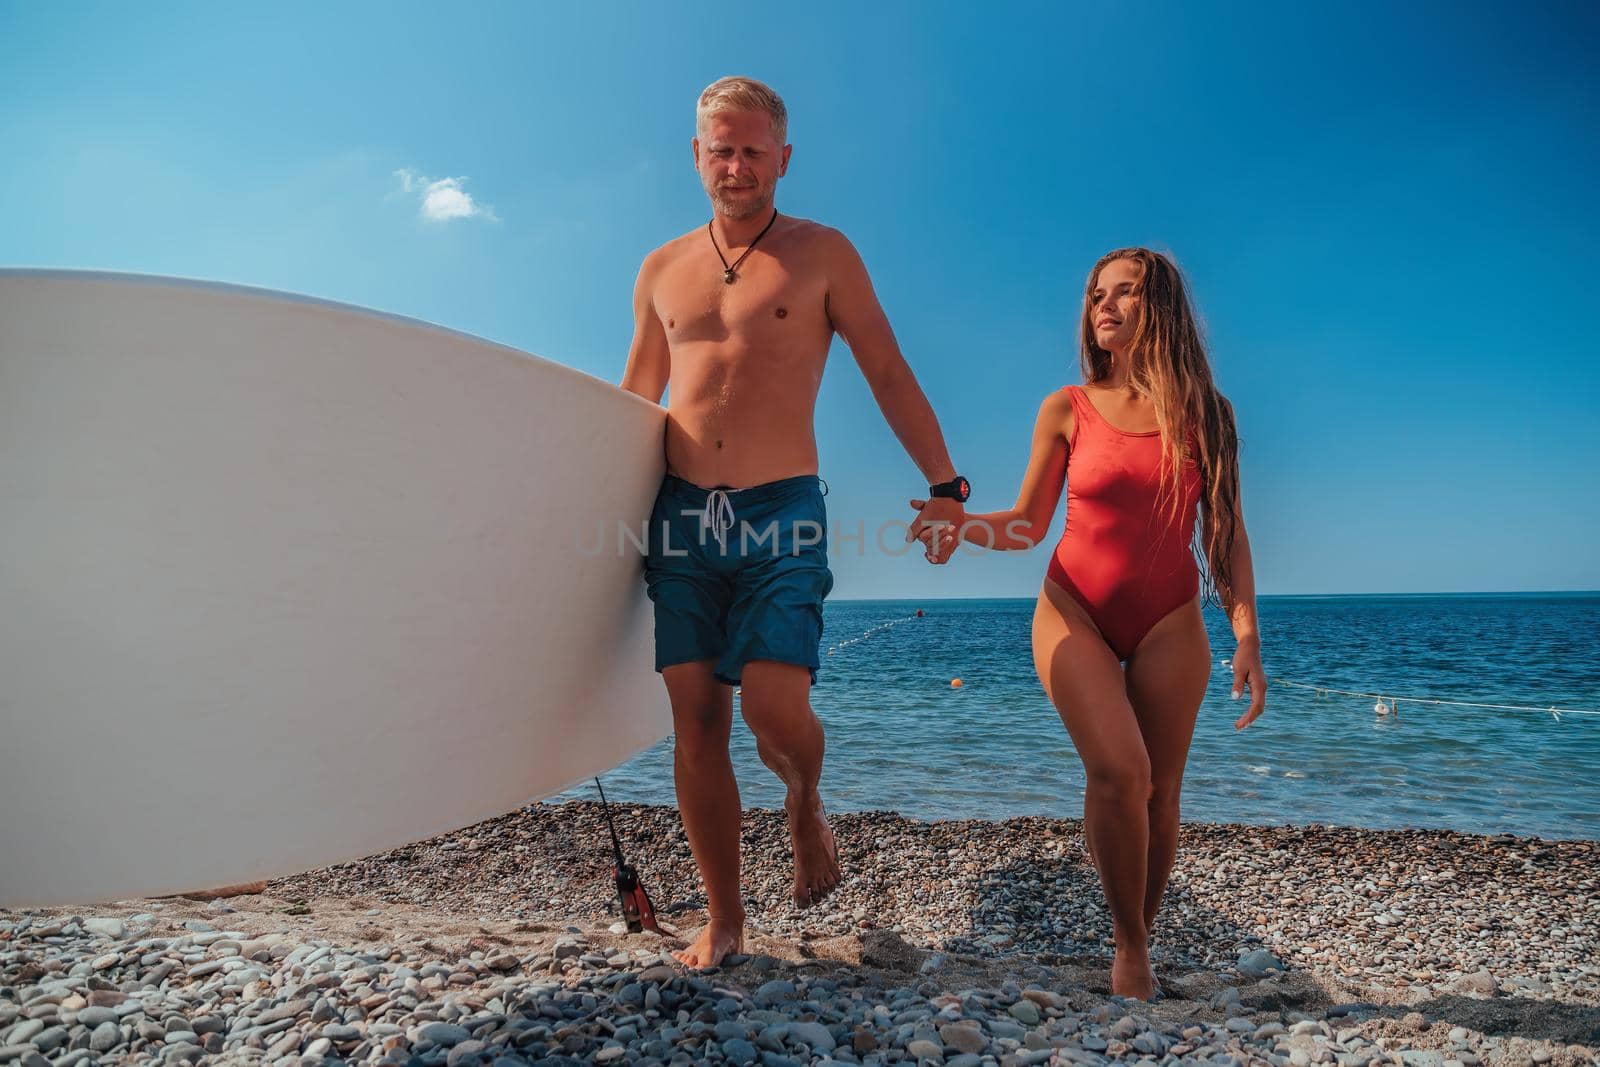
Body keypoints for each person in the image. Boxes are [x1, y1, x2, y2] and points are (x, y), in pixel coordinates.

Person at [620, 76, 970, 968]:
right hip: (682, 514)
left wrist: (945, 484)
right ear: (696, 156)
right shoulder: (661, 268)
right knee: (697, 722)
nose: (736, 166)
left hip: (784, 511)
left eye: (753, 150)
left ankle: (804, 797)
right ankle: (726, 915)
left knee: (775, 709)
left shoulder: (823, 254)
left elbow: (886, 368)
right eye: (720, 149)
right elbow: (635, 397)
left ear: (784, 157)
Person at [914, 248, 1267, 999]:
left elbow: (1225, 531)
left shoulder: (1208, 414)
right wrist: (962, 521)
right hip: (1072, 606)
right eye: (1095, 295)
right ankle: (1131, 948)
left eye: (1124, 292)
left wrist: (1246, 632)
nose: (1103, 306)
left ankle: (1138, 925)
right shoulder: (1065, 407)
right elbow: (1027, 523)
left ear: (1160, 305)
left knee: (1160, 789)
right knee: (1121, 769)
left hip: (1171, 619)